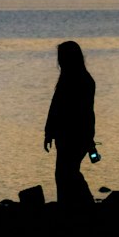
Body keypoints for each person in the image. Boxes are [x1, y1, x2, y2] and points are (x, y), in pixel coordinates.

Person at [44, 41, 96, 207]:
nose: (59, 62)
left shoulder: (80, 81)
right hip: (67, 136)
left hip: (75, 136)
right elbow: (55, 107)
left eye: (61, 57)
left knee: (67, 173)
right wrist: (49, 132)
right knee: (67, 173)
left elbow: (85, 113)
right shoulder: (71, 80)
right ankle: (75, 205)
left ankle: (81, 205)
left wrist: (88, 139)